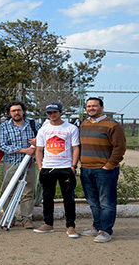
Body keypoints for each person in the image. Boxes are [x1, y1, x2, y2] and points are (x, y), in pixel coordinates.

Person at [79, 97, 126, 243]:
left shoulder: (113, 125)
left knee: (106, 202)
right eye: (88, 106)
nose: (91, 108)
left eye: (94, 106)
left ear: (102, 107)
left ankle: (105, 231)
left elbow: (120, 147)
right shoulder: (84, 124)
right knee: (93, 202)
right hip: (86, 169)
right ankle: (96, 227)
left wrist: (109, 165)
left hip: (104, 170)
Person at [33, 102, 80, 238]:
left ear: (60, 113)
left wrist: (73, 166)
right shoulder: (44, 129)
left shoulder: (71, 128)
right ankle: (48, 224)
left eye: (55, 112)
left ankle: (70, 226)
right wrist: (40, 167)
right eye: (49, 113)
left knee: (68, 198)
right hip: (48, 168)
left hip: (65, 167)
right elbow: (39, 149)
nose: (52, 115)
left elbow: (76, 147)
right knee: (47, 197)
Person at [0, 100, 41, 229]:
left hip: (29, 165)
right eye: (13, 111)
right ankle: (9, 217)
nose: (16, 113)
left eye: (18, 110)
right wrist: (24, 150)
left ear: (23, 111)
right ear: (10, 113)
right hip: (12, 164)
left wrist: (38, 142)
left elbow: (44, 139)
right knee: (8, 191)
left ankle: (26, 219)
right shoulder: (5, 126)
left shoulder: (34, 124)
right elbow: (3, 146)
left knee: (28, 192)